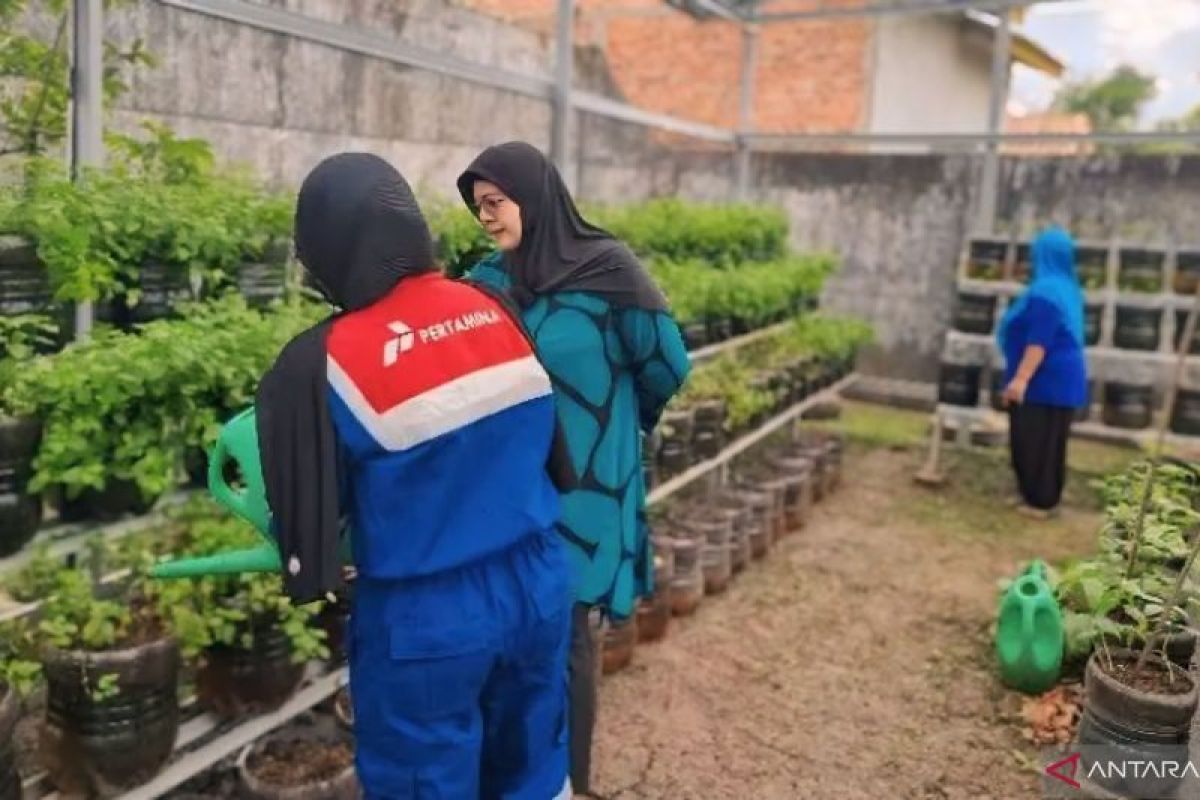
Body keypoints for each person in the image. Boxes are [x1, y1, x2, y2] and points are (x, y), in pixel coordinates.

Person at [255, 152, 577, 799]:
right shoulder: (493, 307)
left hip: (429, 621)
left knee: (424, 781)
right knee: (534, 772)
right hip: (539, 583)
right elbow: (555, 458)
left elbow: (311, 536)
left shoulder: (314, 364)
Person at [457, 141, 692, 797]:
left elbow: (666, 366)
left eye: (496, 202)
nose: (487, 217)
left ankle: (571, 781)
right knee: (513, 635)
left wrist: (616, 424)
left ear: (534, 196)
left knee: (567, 641)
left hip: (589, 489)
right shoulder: (485, 284)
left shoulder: (609, 272)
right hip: (512, 486)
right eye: (479, 207)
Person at [998, 226, 1089, 519]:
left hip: (1043, 381)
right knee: (1049, 441)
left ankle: (1040, 501)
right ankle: (1042, 497)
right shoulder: (1066, 288)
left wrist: (1021, 379)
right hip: (1056, 380)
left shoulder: (1047, 291)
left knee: (1034, 440)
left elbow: (1040, 340)